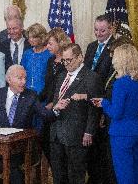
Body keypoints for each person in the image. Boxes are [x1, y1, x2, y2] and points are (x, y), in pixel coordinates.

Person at [0, 64, 63, 184]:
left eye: (25, 78)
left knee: (15, 178)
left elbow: (45, 114)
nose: (23, 82)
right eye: (20, 78)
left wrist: (56, 109)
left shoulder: (31, 96)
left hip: (19, 149)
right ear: (9, 79)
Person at [91, 44, 138, 184]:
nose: (113, 61)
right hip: (136, 129)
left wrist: (104, 103)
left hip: (121, 133)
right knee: (137, 170)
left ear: (121, 60)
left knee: (124, 174)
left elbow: (116, 113)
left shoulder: (120, 83)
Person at [50, 43, 102, 184]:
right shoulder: (61, 76)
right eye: (64, 60)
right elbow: (56, 101)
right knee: (58, 176)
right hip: (56, 134)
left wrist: (89, 132)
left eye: (69, 60)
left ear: (80, 57)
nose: (66, 64)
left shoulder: (91, 77)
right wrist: (56, 108)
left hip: (77, 135)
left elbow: (95, 108)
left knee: (75, 176)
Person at [84, 14, 115, 184]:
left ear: (111, 28)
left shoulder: (115, 49)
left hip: (104, 104)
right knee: (91, 151)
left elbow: (111, 83)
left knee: (104, 150)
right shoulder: (90, 47)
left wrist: (103, 109)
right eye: (96, 29)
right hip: (89, 103)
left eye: (102, 30)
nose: (98, 33)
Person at [39, 27, 71, 162]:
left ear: (60, 42)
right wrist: (34, 100)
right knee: (44, 141)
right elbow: (47, 86)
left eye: (50, 43)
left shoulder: (67, 62)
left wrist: (53, 103)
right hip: (49, 107)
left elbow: (68, 88)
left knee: (59, 149)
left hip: (63, 109)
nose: (47, 47)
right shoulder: (50, 61)